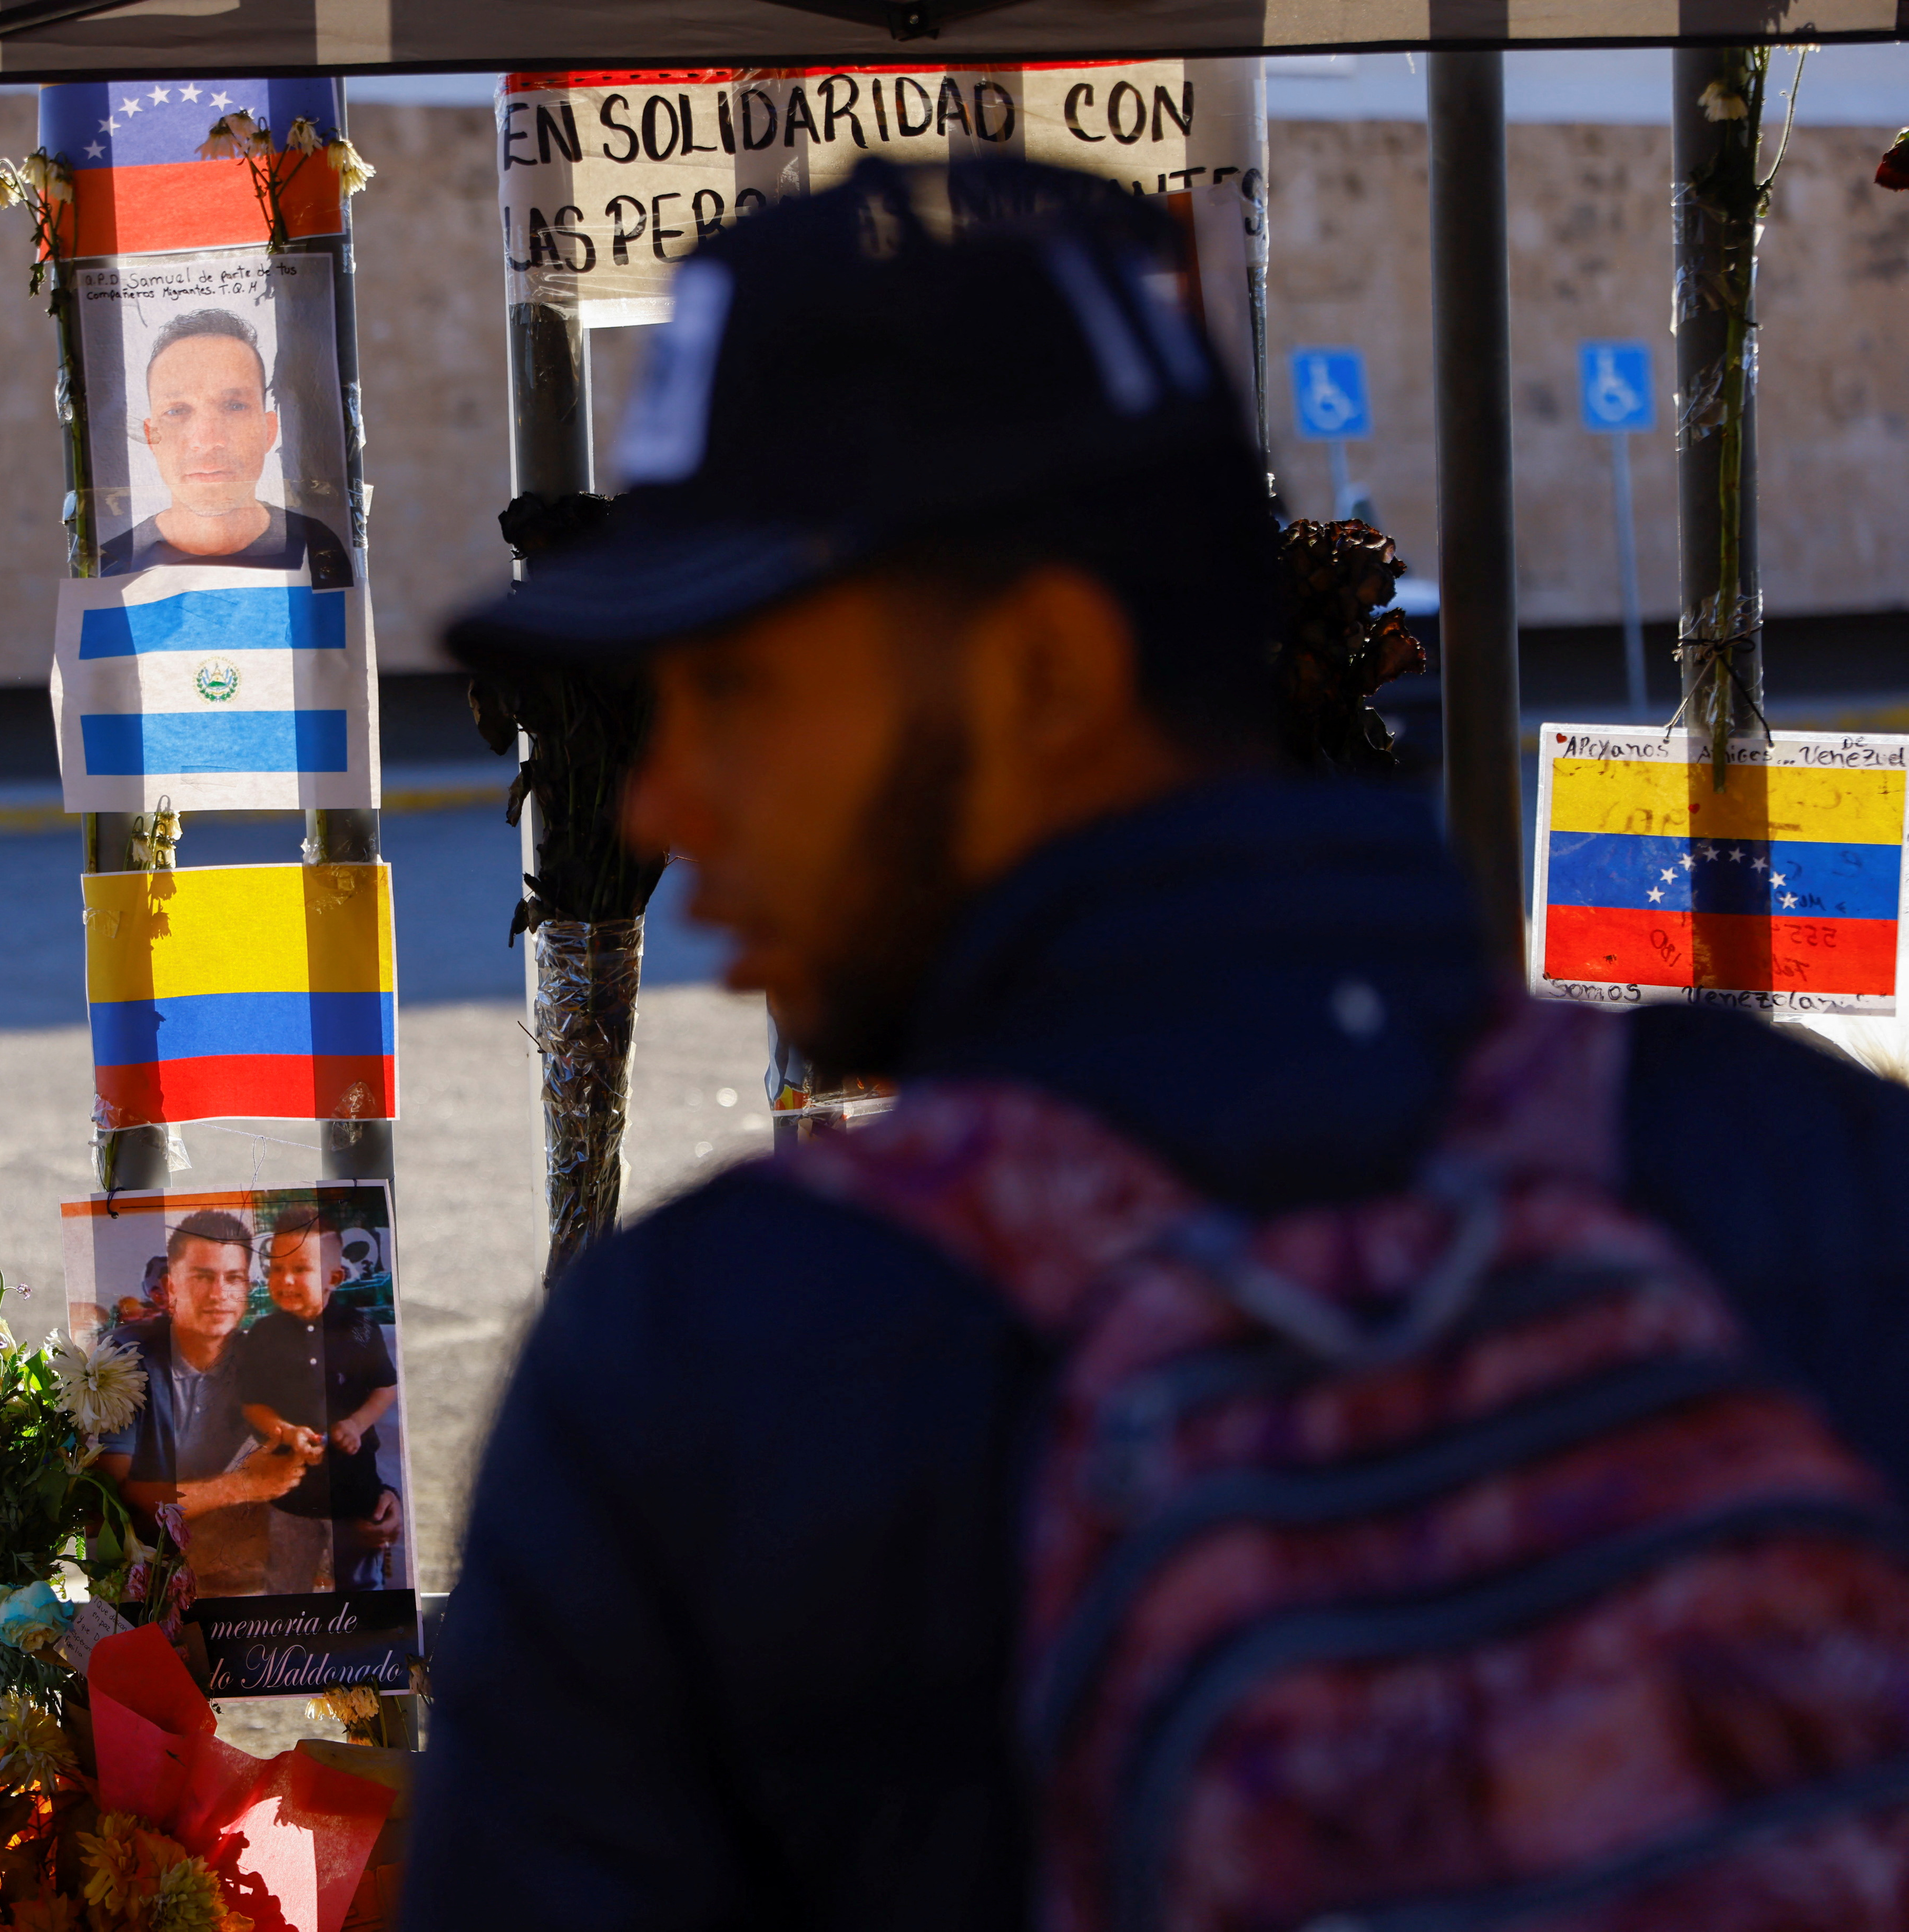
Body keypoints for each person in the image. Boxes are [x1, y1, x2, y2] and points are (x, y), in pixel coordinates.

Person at [403, 159, 1909, 1931]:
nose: (656, 791)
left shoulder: (707, 1373)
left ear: (1046, 669)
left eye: (736, 687)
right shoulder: (1814, 1187)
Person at [97, 307, 353, 587]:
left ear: (269, 431)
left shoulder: (320, 548)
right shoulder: (112, 568)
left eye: (235, 406)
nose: (207, 440)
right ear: (151, 438)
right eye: (177, 411)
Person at [94, 1210, 308, 1522]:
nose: (219, 1295)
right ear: (171, 1288)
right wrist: (242, 1486)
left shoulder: (261, 1357)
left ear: (247, 1289)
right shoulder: (124, 1356)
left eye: (234, 1278)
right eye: (202, 1277)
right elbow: (111, 1496)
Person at [237, 1204, 403, 1594]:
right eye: (276, 1269)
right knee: (286, 1581)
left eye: (300, 1269)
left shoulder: (361, 1328)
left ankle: (365, 1648)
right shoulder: (263, 1335)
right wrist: (286, 1431)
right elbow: (252, 1403)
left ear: (335, 1276)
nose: (285, 1279)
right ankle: (291, 1648)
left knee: (360, 1580)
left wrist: (357, 1423)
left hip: (355, 1489)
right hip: (290, 1493)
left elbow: (386, 1387)